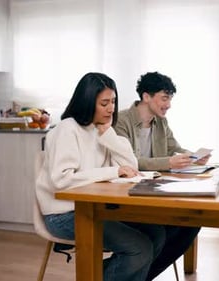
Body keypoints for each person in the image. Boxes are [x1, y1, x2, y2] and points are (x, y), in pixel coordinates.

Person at [35, 72, 166, 281]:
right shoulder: (68, 129)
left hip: (96, 208)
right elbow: (62, 180)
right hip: (64, 214)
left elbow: (131, 166)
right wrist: (113, 171)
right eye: (104, 103)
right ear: (87, 102)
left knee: (157, 234)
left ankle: (94, 275)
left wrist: (110, 136)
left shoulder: (101, 129)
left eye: (113, 102)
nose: (111, 108)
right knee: (139, 248)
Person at [114, 71, 205, 280]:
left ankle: (143, 274)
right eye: (164, 98)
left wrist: (193, 156)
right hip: (127, 193)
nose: (168, 104)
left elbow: (174, 147)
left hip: (154, 189)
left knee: (191, 223)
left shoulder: (160, 121)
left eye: (170, 99)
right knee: (162, 230)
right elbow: (130, 161)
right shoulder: (121, 121)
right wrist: (168, 162)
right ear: (146, 97)